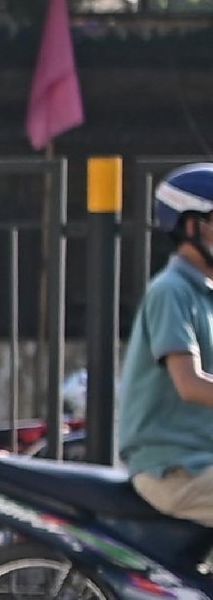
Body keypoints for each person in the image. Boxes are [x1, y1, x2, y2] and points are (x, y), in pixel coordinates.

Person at [118, 165, 213, 528]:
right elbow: (189, 384)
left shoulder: (204, 295)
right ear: (190, 226)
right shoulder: (172, 291)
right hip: (173, 469)